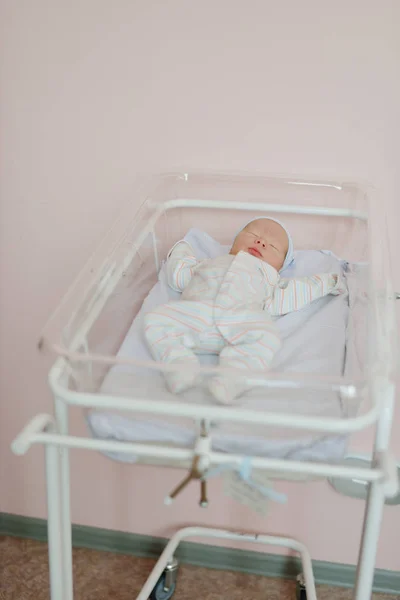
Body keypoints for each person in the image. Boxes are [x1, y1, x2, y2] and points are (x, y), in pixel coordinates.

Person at [144, 218, 345, 404]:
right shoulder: (208, 263)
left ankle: (232, 378)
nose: (261, 242)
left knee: (267, 337)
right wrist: (180, 249)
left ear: (281, 266)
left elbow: (296, 291)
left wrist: (328, 282)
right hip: (197, 315)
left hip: (239, 322)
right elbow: (179, 275)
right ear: (234, 242)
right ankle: (179, 364)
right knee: (156, 319)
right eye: (252, 234)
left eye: (272, 246)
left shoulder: (270, 280)